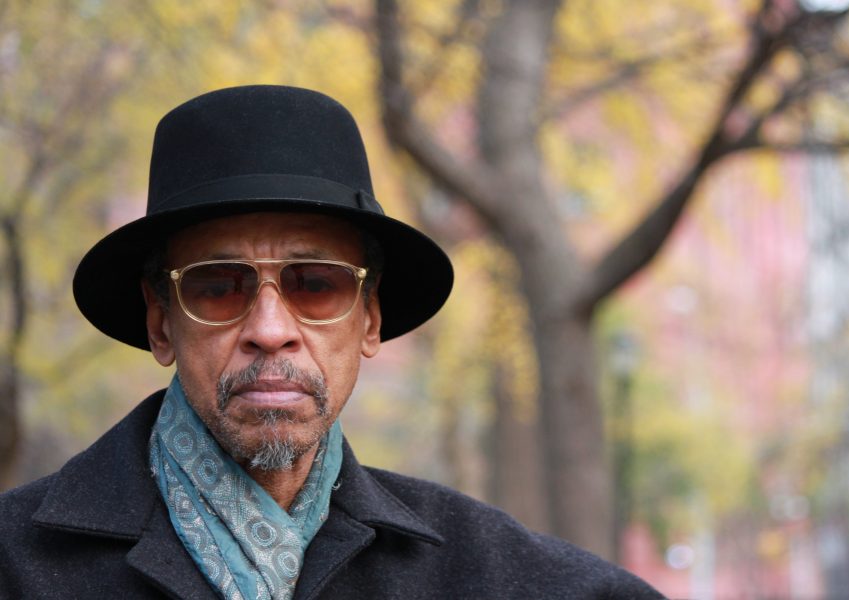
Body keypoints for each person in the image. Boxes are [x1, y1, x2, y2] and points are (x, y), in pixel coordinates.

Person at [0, 85, 664, 599]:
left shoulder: (481, 571)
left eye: (316, 284)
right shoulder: (17, 562)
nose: (269, 330)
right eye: (217, 287)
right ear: (160, 322)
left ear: (369, 319)